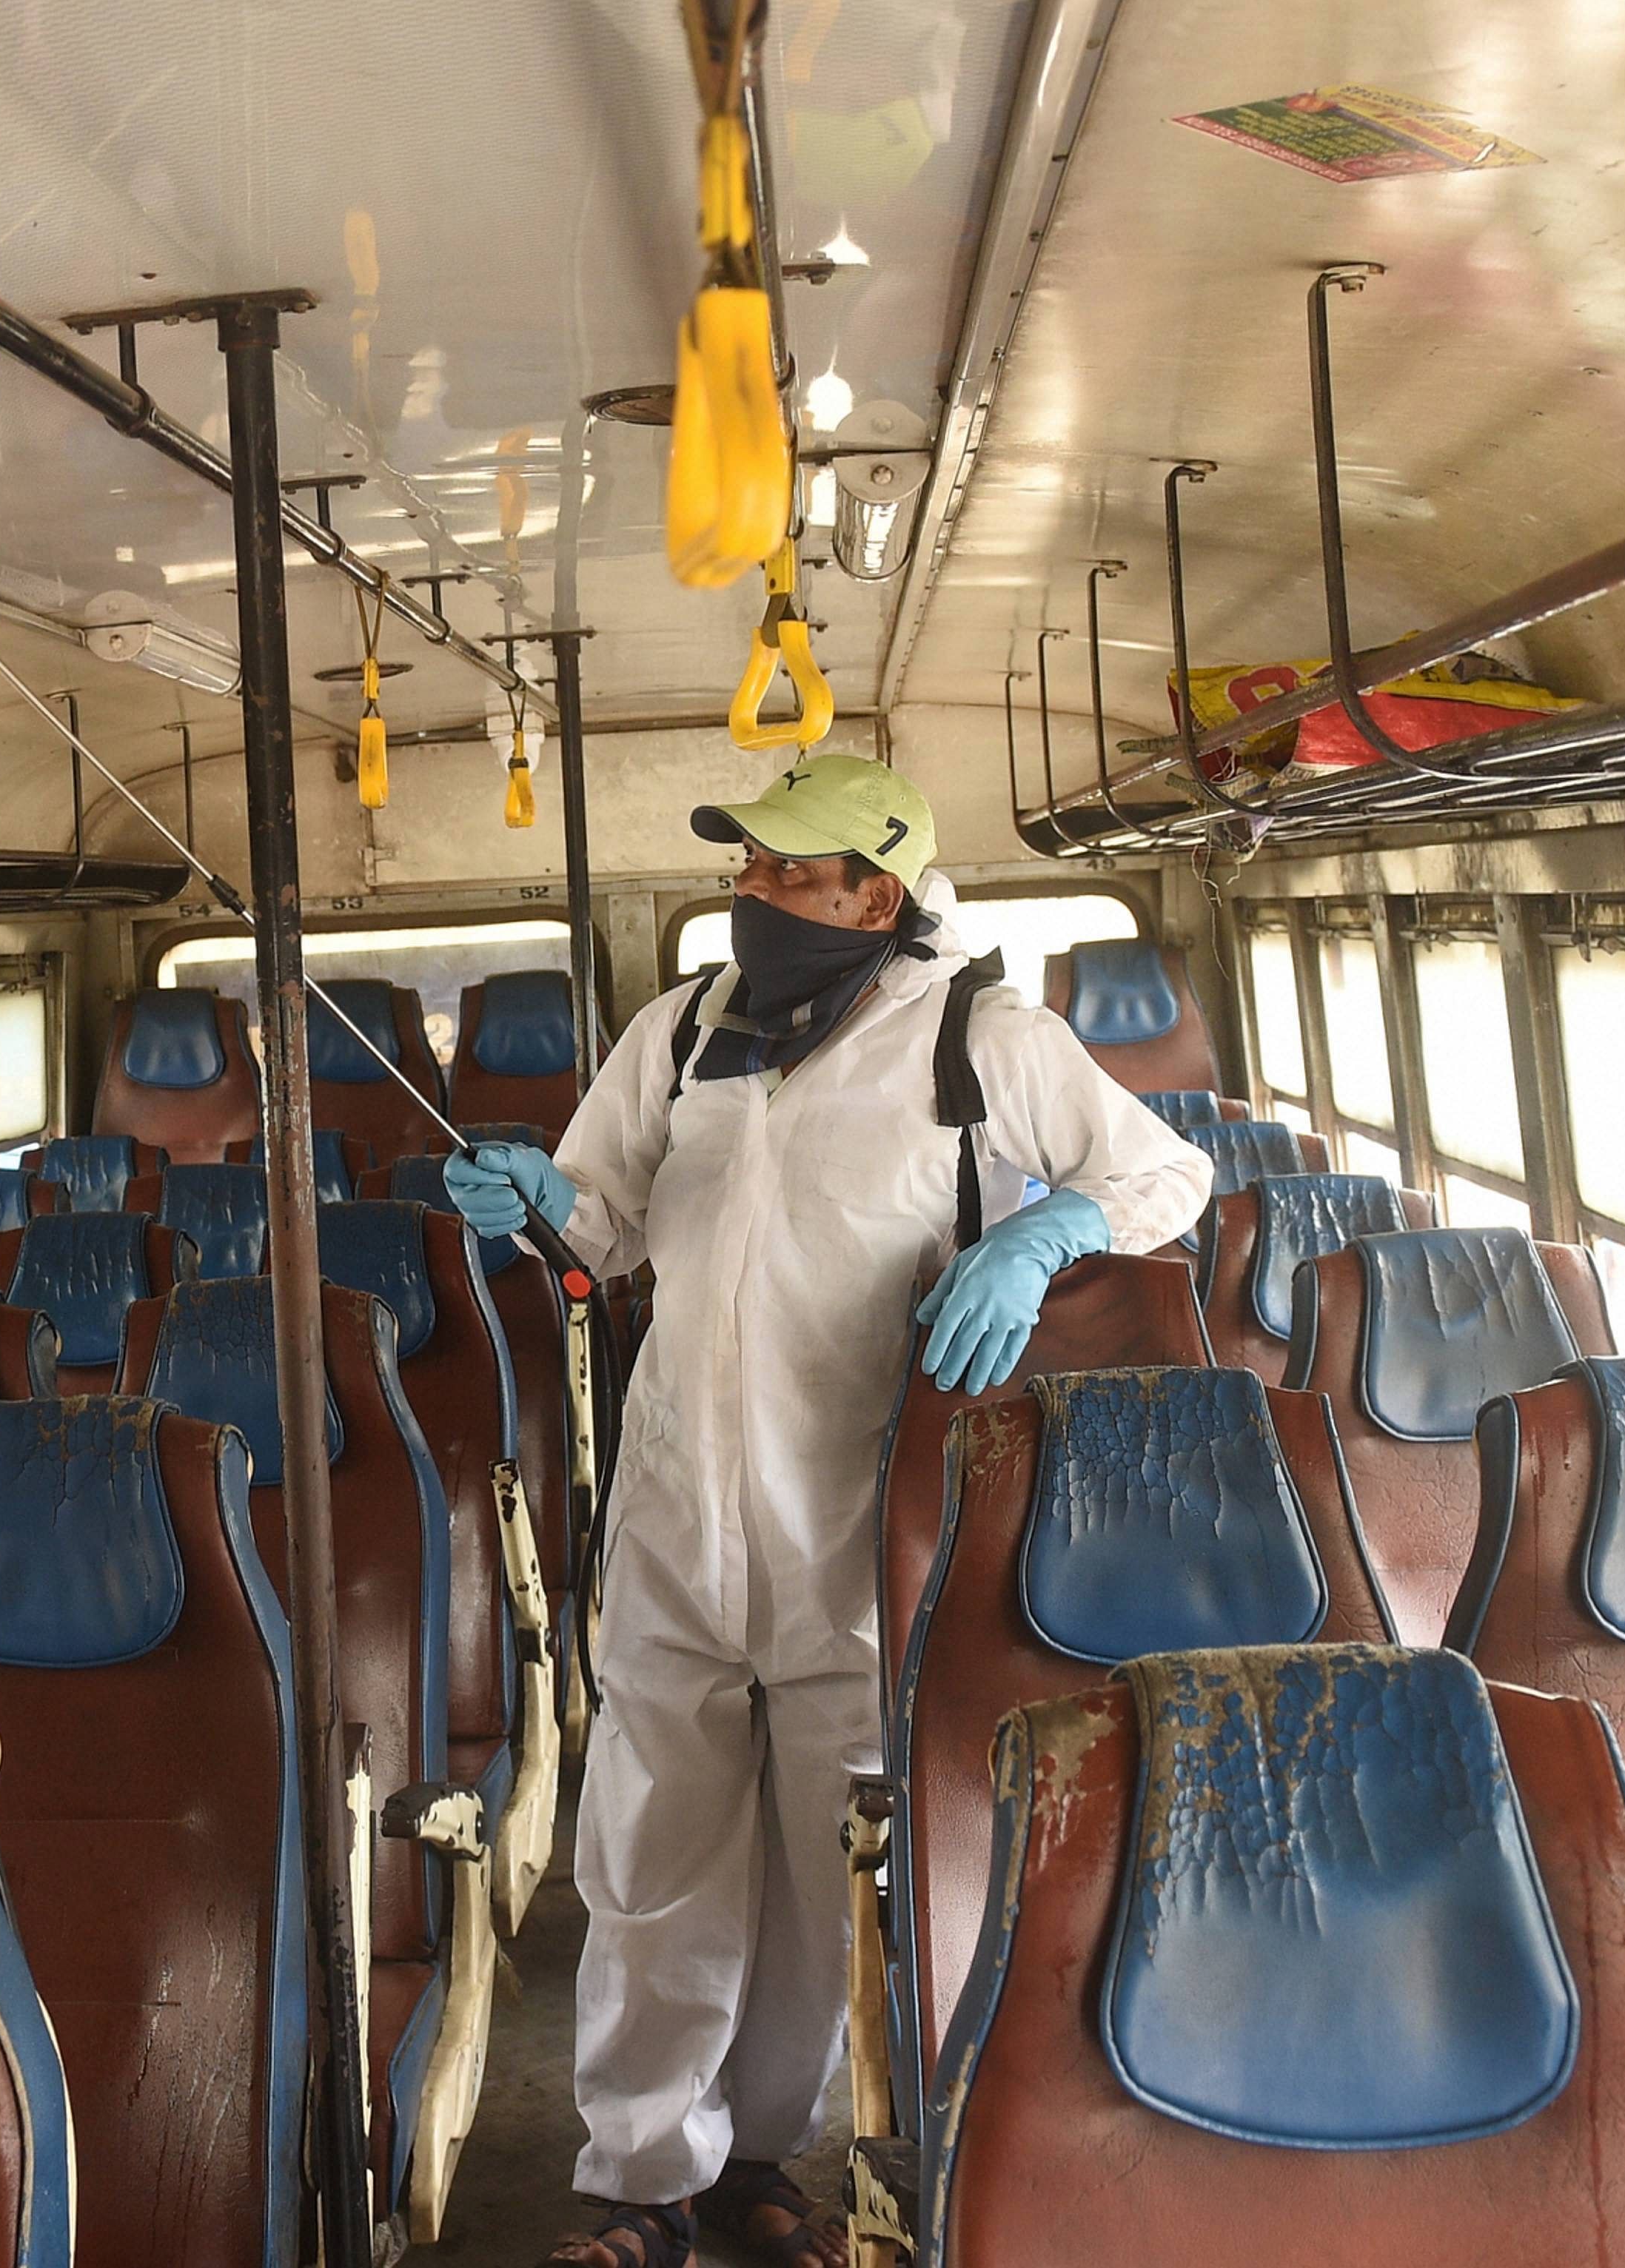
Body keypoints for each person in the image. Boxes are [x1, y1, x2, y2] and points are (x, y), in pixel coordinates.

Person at [441, 756, 1211, 2268]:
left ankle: (757, 2158)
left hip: (852, 1532)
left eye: (785, 874)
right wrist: (534, 1191)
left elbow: (1168, 1172)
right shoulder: (678, 1035)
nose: (750, 893)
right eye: (745, 869)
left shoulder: (987, 1041)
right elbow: (601, 1224)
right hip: (674, 1518)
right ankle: (640, 2176)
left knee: (813, 1882)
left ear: (876, 891)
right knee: (651, 1853)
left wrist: (1052, 1226)